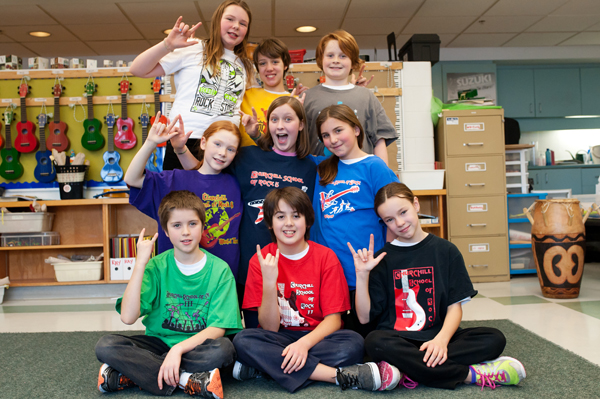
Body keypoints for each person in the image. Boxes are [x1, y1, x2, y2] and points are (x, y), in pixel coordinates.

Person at [350, 182, 527, 391]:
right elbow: (363, 318)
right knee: (374, 342)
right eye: (389, 219)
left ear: (416, 204)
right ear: (384, 222)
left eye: (403, 212)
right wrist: (362, 275)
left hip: (439, 337)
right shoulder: (383, 258)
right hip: (398, 339)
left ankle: (405, 368)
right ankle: (471, 375)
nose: (399, 222)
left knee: (494, 338)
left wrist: (441, 341)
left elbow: (454, 307)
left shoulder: (447, 251)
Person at [173, 96, 317, 328]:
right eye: (274, 119)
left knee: (291, 327)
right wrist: (180, 150)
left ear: (301, 124)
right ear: (267, 124)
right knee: (249, 332)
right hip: (249, 265)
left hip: (292, 267)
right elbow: (205, 177)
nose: (280, 125)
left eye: (288, 119)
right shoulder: (249, 156)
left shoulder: (311, 167)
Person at [231, 187, 384, 392]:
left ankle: (267, 368)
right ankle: (338, 376)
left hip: (317, 338)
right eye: (280, 216)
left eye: (296, 215)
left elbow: (333, 320)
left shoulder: (326, 257)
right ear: (269, 222)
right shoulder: (261, 260)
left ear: (308, 221)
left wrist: (303, 345)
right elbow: (268, 328)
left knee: (354, 343)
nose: (289, 223)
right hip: (279, 337)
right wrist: (269, 282)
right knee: (243, 341)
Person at [95, 190, 242, 397]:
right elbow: (128, 317)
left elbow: (218, 328)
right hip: (158, 343)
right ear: (165, 230)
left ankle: (135, 374)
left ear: (202, 227)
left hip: (196, 346)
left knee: (224, 350)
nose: (185, 232)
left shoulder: (220, 270)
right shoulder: (155, 266)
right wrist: (140, 264)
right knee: (106, 346)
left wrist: (177, 350)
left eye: (192, 224)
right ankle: (185, 380)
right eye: (177, 225)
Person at [129, 0, 254, 170]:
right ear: (217, 21)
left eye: (243, 23)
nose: (236, 26)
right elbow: (138, 69)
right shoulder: (194, 47)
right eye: (230, 19)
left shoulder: (245, 64)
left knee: (218, 197)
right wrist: (168, 45)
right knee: (179, 196)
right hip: (186, 138)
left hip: (225, 146)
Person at [310, 104, 398, 336]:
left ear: (357, 129)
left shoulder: (374, 166)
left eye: (339, 131)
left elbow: (394, 214)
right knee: (338, 336)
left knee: (368, 335)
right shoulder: (322, 168)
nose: (333, 139)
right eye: (326, 135)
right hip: (330, 272)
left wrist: (388, 256)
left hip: (365, 270)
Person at [124, 113, 242, 279]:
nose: (222, 153)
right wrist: (151, 143)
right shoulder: (174, 180)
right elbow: (131, 179)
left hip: (222, 280)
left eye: (230, 149)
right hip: (176, 280)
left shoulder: (237, 184)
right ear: (203, 142)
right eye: (217, 144)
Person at [303, 30, 397, 162]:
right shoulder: (306, 97)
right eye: (330, 55)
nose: (336, 60)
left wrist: (384, 178)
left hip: (361, 178)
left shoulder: (367, 96)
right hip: (319, 177)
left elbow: (379, 139)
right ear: (320, 59)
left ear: (353, 62)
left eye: (343, 56)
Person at [238, 37, 307, 147]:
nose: (269, 68)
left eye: (275, 62)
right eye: (262, 63)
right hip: (246, 161)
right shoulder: (244, 95)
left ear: (285, 65)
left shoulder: (296, 101)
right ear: (257, 68)